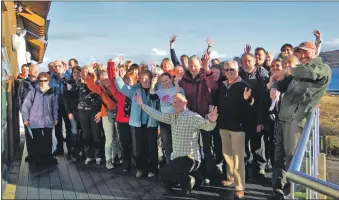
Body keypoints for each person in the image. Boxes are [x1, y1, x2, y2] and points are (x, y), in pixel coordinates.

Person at [270, 41, 331, 199]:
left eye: (305, 52)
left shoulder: (322, 68)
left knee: (292, 157)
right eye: (299, 52)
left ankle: (291, 191)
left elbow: (311, 74)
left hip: (296, 120)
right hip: (283, 117)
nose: (302, 55)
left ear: (315, 51)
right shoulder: (297, 71)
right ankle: (278, 187)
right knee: (278, 156)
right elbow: (281, 83)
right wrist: (275, 87)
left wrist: (289, 69)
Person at [135, 92, 218, 194]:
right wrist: (142, 105)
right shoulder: (172, 117)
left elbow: (207, 126)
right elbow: (156, 114)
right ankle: (195, 178)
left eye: (180, 101)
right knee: (166, 182)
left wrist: (211, 120)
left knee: (164, 171)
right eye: (175, 102)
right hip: (177, 158)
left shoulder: (193, 117)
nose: (177, 104)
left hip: (190, 158)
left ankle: (188, 180)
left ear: (185, 103)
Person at [213, 60, 254, 199]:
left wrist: (247, 100)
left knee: (238, 158)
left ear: (237, 70)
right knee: (227, 154)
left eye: (232, 69)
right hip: (224, 125)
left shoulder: (244, 85)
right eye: (226, 70)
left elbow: (251, 104)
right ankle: (230, 177)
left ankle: (240, 186)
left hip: (238, 127)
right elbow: (217, 103)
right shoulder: (222, 85)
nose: (229, 72)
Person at [114, 68, 159, 178]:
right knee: (139, 147)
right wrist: (117, 77)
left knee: (152, 148)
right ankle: (140, 168)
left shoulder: (156, 89)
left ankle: (153, 169)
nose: (144, 80)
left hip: (151, 123)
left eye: (146, 77)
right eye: (142, 77)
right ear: (139, 78)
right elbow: (123, 88)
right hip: (137, 123)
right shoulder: (135, 89)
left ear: (150, 78)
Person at [21, 72, 58, 168]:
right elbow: (26, 106)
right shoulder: (33, 92)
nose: (43, 82)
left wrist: (55, 118)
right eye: (40, 81)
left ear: (48, 81)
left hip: (48, 120)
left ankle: (48, 157)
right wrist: (26, 119)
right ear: (38, 81)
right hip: (35, 120)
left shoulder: (52, 92)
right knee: (37, 140)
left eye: (45, 80)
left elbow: (55, 107)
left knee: (48, 140)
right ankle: (38, 158)